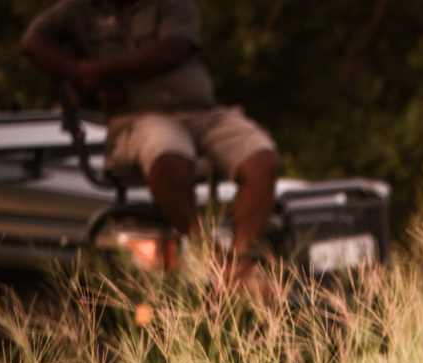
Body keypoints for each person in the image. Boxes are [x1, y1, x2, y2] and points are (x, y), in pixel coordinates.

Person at [21, 0, 280, 287]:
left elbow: (173, 50)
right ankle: (212, 256)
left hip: (205, 112)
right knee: (168, 155)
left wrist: (103, 72)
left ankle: (239, 263)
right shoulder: (78, 10)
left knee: (263, 159)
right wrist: (78, 73)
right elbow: (33, 43)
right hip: (140, 117)